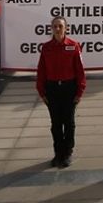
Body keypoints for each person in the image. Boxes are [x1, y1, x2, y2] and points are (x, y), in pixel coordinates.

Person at [36, 15, 86, 167]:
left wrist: (79, 92)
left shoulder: (74, 46)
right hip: (52, 89)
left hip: (69, 88)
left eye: (60, 26)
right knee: (56, 123)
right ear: (51, 29)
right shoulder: (46, 47)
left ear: (66, 28)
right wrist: (42, 92)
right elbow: (41, 71)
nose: (57, 29)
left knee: (69, 122)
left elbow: (80, 71)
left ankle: (68, 152)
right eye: (55, 26)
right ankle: (58, 153)